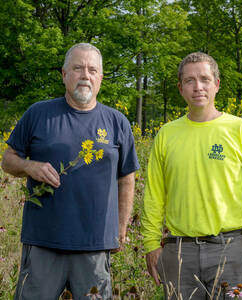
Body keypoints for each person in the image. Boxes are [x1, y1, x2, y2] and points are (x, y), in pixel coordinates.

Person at [1, 43, 140, 300]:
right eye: (77, 68)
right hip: (43, 242)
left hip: (95, 245)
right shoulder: (38, 113)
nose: (85, 75)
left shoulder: (117, 122)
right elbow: (8, 160)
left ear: (100, 77)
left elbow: (126, 178)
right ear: (64, 74)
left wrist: (121, 229)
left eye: (92, 70)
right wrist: (29, 166)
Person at [141, 52, 242, 299]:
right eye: (190, 80)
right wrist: (150, 245)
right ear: (180, 88)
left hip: (231, 250)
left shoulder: (241, 130)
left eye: (204, 78)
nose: (198, 86)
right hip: (179, 253)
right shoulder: (167, 135)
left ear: (217, 84)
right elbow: (153, 196)